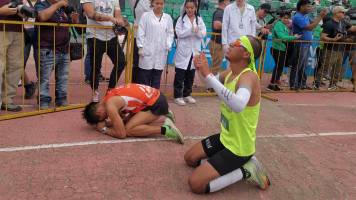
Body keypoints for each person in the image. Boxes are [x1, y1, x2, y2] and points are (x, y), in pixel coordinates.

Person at [184, 35, 270, 194]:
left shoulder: (248, 76)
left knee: (196, 184)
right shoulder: (230, 71)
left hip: (239, 148)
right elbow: (208, 84)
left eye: (236, 43)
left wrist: (208, 74)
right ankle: (223, 166)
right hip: (226, 138)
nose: (230, 44)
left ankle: (247, 170)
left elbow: (238, 105)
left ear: (246, 54)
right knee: (189, 159)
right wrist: (200, 70)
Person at [82, 83, 184, 143]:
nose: (106, 118)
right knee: (127, 123)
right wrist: (111, 123)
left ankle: (166, 129)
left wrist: (104, 129)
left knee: (129, 130)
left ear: (99, 112)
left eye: (103, 118)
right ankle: (166, 112)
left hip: (155, 103)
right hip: (155, 97)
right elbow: (123, 118)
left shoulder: (110, 106)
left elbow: (121, 134)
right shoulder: (108, 96)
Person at [35, 0, 79, 109]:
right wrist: (58, 4)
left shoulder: (62, 8)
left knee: (63, 76)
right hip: (47, 47)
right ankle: (43, 100)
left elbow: (72, 23)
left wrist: (74, 19)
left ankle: (61, 98)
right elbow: (42, 17)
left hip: (63, 48)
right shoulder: (42, 4)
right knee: (44, 77)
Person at [81, 0, 126, 102]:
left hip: (111, 35)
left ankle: (110, 90)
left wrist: (120, 21)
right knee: (95, 67)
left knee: (121, 62)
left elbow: (118, 16)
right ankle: (95, 92)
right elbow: (91, 14)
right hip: (94, 35)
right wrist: (111, 18)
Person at [173, 0, 206, 106]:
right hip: (183, 51)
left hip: (194, 51)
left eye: (192, 8)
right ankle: (178, 96)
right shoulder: (181, 19)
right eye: (188, 8)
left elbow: (203, 33)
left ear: (195, 8)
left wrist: (197, 32)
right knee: (180, 75)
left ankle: (187, 94)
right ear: (185, 8)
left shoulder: (199, 19)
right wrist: (190, 31)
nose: (190, 10)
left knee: (190, 75)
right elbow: (178, 33)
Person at [289, 0, 327, 90]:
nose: (310, 8)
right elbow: (310, 28)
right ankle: (293, 84)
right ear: (301, 6)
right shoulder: (297, 17)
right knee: (297, 65)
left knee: (303, 65)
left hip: (306, 44)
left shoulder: (305, 16)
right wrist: (320, 16)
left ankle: (302, 83)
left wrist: (322, 17)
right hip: (300, 44)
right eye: (308, 6)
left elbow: (313, 23)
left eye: (310, 6)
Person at [316, 6, 356, 90]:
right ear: (336, 13)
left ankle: (332, 85)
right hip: (330, 50)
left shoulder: (343, 22)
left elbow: (353, 28)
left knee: (337, 69)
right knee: (325, 68)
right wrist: (333, 39)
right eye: (342, 12)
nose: (344, 14)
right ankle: (316, 84)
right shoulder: (329, 23)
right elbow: (322, 37)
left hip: (340, 50)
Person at [137, 0, 174, 89]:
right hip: (147, 52)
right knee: (144, 79)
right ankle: (144, 100)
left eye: (161, 4)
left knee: (156, 80)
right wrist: (141, 46)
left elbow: (170, 33)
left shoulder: (168, 18)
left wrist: (168, 45)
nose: (159, 6)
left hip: (160, 52)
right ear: (152, 3)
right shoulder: (145, 16)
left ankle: (154, 101)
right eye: (157, 3)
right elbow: (141, 32)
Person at [0, 0, 26, 111]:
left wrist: (24, 12)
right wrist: (1, 11)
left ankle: (7, 99)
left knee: (15, 66)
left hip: (18, 29)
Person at [267, 11, 301, 91]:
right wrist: (293, 37)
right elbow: (282, 37)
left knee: (279, 67)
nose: (286, 19)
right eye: (284, 18)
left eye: (287, 18)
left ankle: (274, 84)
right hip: (277, 49)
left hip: (281, 49)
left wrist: (291, 37)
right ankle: (271, 85)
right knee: (278, 67)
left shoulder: (284, 25)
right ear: (280, 18)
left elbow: (285, 36)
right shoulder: (279, 25)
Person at [127, 0, 151, 83]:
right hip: (137, 36)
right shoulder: (135, 1)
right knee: (137, 63)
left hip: (152, 38)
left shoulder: (155, 2)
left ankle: (147, 87)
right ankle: (134, 86)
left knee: (149, 63)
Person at [209, 0, 230, 78]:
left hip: (217, 42)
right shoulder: (220, 12)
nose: (229, 3)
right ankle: (211, 85)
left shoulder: (221, 12)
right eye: (228, 1)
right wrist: (229, 26)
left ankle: (211, 84)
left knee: (216, 65)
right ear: (224, 1)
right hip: (217, 43)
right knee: (216, 66)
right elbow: (216, 25)